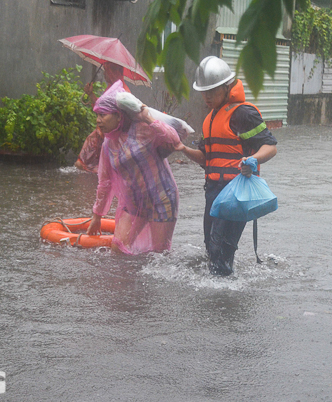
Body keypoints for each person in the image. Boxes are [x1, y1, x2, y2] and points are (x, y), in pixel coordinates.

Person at [175, 56, 278, 276]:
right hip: (213, 192)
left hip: (236, 193)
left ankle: (224, 300)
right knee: (211, 250)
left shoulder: (243, 114)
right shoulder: (210, 119)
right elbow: (206, 159)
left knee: (220, 253)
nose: (207, 96)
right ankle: (221, 297)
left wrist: (253, 161)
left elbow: (270, 147)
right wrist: (182, 149)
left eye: (212, 91)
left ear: (226, 87)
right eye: (204, 91)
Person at [86, 81, 181, 254]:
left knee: (158, 256)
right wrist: (96, 216)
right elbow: (105, 182)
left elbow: (174, 140)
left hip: (162, 199)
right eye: (97, 115)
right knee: (118, 248)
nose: (98, 120)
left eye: (103, 115)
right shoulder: (108, 145)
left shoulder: (143, 129)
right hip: (135, 203)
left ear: (119, 116)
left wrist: (148, 118)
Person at [75, 63, 131, 173]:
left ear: (114, 72)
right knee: (84, 164)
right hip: (103, 133)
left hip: (111, 135)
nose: (105, 74)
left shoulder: (123, 91)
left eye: (107, 71)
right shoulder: (110, 88)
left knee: (89, 165)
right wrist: (90, 94)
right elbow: (102, 108)